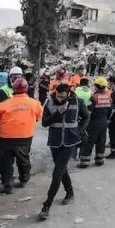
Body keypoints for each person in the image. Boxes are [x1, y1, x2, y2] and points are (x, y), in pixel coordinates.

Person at [39, 83, 89, 220]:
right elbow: (44, 122)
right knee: (61, 170)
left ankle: (46, 206)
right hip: (55, 142)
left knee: (57, 173)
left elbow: (86, 117)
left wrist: (80, 130)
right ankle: (70, 192)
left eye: (62, 96)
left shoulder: (78, 102)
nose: (59, 98)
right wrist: (58, 112)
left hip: (70, 141)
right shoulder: (49, 102)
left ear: (68, 93)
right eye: (57, 95)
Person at [0, 78, 43, 194]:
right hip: (25, 137)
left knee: (5, 162)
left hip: (5, 138)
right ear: (26, 89)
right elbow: (38, 117)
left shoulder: (4, 104)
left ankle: (7, 185)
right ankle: (24, 179)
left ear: (13, 89)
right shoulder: (35, 103)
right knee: (24, 159)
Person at [0, 66, 24, 179]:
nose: (16, 80)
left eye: (19, 77)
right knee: (3, 151)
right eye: (14, 77)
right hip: (7, 127)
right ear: (10, 78)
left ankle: (7, 172)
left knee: (17, 152)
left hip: (19, 126)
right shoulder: (4, 91)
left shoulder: (23, 89)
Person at [79, 77, 112, 167]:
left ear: (96, 86)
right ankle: (99, 160)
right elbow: (110, 110)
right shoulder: (108, 97)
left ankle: (84, 162)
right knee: (101, 141)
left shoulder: (94, 97)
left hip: (94, 122)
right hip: (104, 122)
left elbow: (89, 111)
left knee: (89, 141)